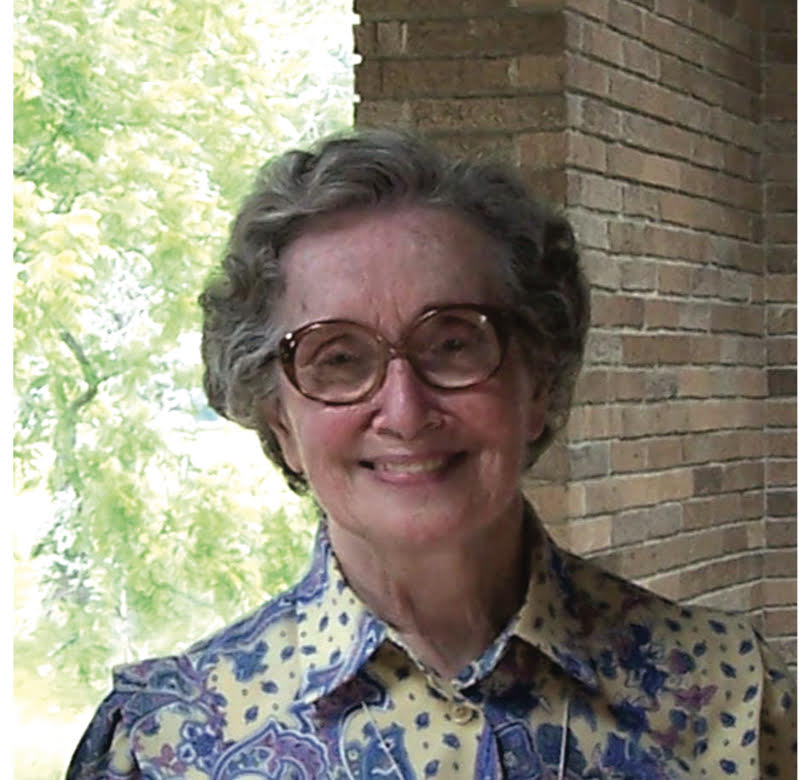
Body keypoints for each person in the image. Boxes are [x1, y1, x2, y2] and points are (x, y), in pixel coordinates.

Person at [66, 128, 796, 780]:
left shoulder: (734, 697)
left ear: (538, 381)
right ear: (280, 421)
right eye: (338, 357)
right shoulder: (166, 746)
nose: (405, 411)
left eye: (451, 343)